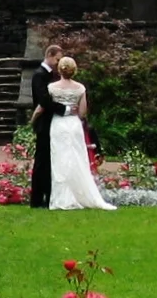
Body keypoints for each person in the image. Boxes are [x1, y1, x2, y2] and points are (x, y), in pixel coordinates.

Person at [47, 56, 118, 212]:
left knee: (59, 159)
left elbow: (46, 106)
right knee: (77, 157)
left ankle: (62, 197)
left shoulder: (52, 87)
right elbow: (83, 112)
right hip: (73, 124)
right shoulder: (80, 88)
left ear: (60, 69)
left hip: (58, 123)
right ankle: (81, 192)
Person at [26, 43, 62, 209]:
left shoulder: (49, 75)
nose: (58, 63)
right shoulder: (39, 75)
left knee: (48, 161)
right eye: (57, 59)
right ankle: (37, 199)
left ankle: (47, 197)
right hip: (44, 124)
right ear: (50, 55)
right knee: (41, 162)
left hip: (51, 123)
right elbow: (44, 101)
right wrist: (65, 109)